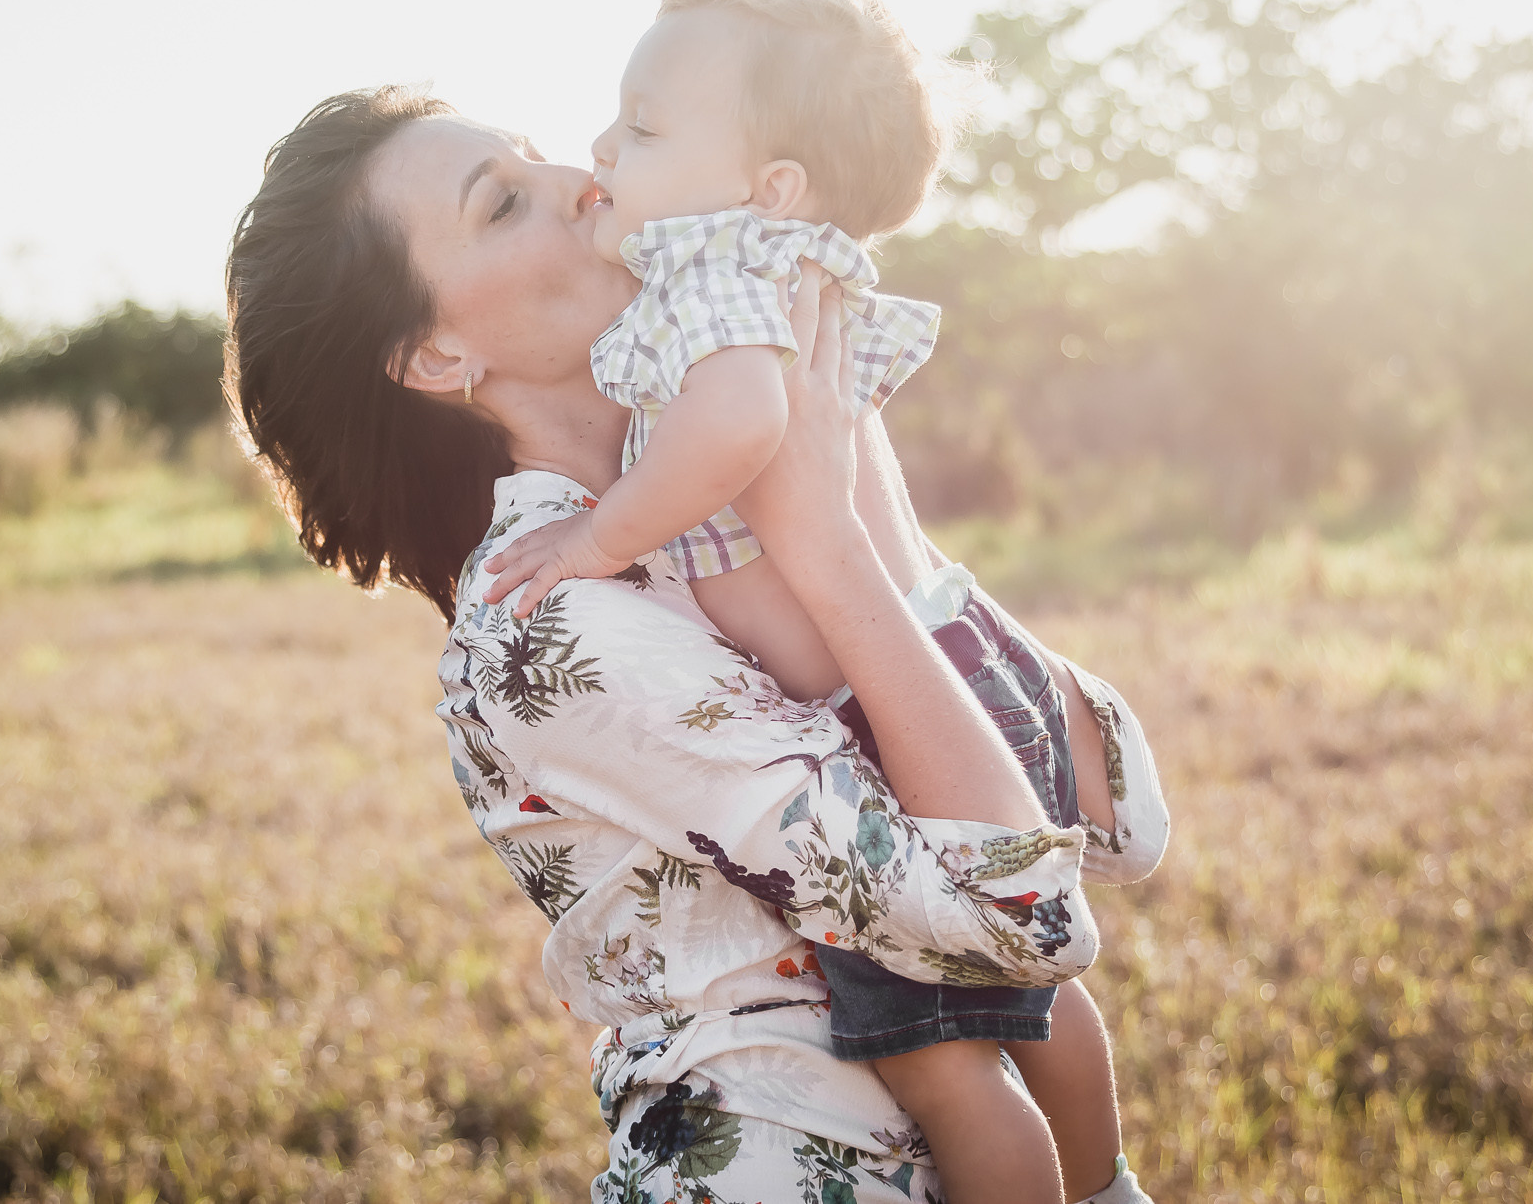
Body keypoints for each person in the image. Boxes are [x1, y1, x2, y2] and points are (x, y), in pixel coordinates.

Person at [224, 84, 1165, 1202]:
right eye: (503, 203)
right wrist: (830, 544)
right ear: (436, 356)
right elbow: (1023, 918)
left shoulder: (733, 482)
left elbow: (1114, 819)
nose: (585, 180)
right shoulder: (545, 621)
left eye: (540, 155)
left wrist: (859, 501)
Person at [477, 0, 1166, 1204]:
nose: (599, 153)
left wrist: (597, 536)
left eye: (643, 128)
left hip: (891, 712)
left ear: (772, 185)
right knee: (1036, 1002)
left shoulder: (712, 274)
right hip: (950, 660)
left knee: (948, 1073)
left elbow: (739, 423)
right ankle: (1107, 1185)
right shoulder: (779, 267)